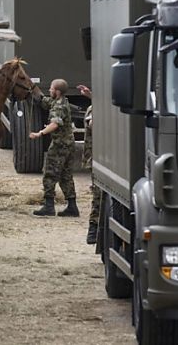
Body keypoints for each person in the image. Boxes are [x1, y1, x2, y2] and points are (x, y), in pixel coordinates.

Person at [29, 79, 79, 217]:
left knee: (49, 174)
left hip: (59, 145)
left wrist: (40, 133)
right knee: (66, 175)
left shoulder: (59, 107)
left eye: (51, 88)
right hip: (69, 144)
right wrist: (33, 89)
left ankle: (49, 206)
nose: (49, 90)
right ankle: (72, 206)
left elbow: (55, 124)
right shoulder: (61, 101)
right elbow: (45, 101)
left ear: (57, 91)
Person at [78, 84, 99, 244]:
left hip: (99, 160)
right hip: (96, 160)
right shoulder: (94, 109)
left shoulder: (96, 107)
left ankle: (94, 230)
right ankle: (93, 230)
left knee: (98, 197)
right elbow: (92, 124)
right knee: (97, 197)